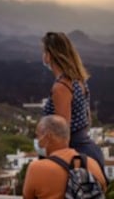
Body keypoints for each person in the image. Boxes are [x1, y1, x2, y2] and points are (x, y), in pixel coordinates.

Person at [40, 32, 105, 173]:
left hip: (75, 157)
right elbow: (87, 119)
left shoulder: (61, 87)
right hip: (89, 150)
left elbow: (63, 133)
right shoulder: (78, 80)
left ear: (49, 55)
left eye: (44, 51)